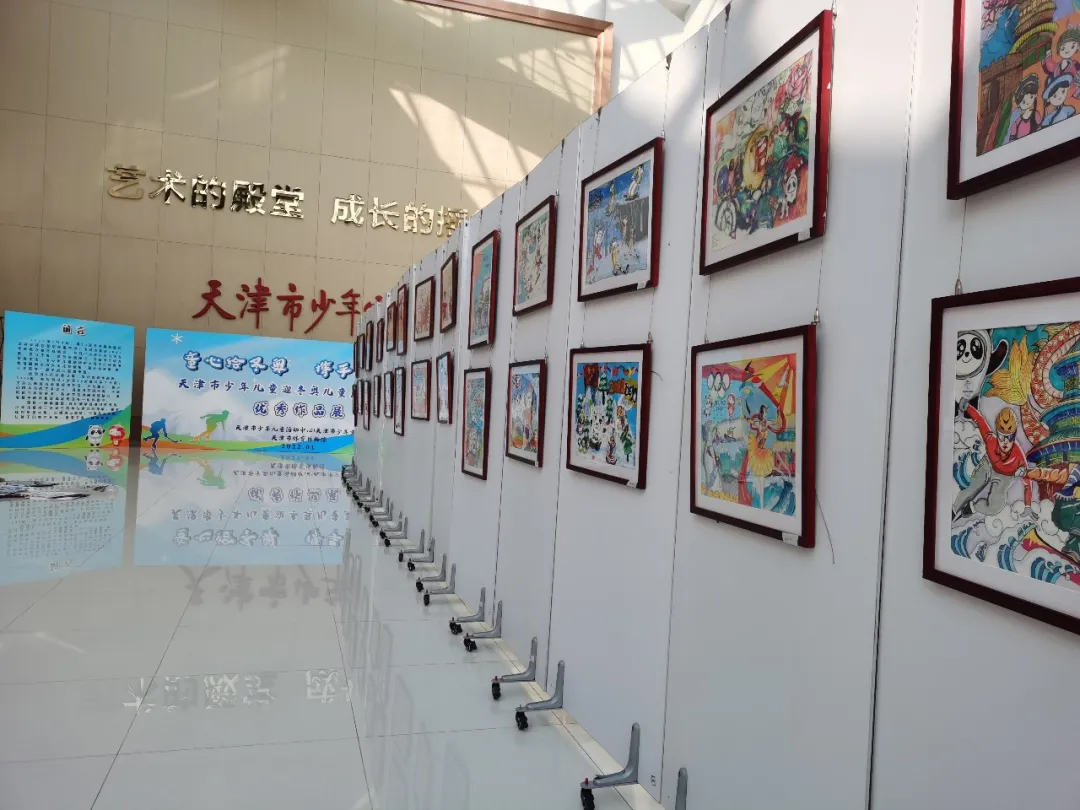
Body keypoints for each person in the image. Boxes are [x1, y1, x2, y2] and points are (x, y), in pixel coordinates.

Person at [952, 405, 1028, 519]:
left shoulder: (1019, 455)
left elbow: (1028, 481)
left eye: (1010, 437)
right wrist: (967, 407)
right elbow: (979, 419)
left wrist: (1028, 506)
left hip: (1005, 476)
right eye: (1001, 436)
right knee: (971, 489)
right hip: (988, 465)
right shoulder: (990, 440)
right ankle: (952, 511)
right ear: (997, 433)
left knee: (995, 507)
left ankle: (973, 507)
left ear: (1014, 435)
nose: (1005, 442)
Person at [1008, 75, 1042, 142]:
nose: (1027, 101)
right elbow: (1012, 140)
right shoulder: (1017, 122)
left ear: (1035, 96)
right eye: (1023, 101)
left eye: (1031, 97)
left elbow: (1041, 133)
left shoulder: (1036, 115)